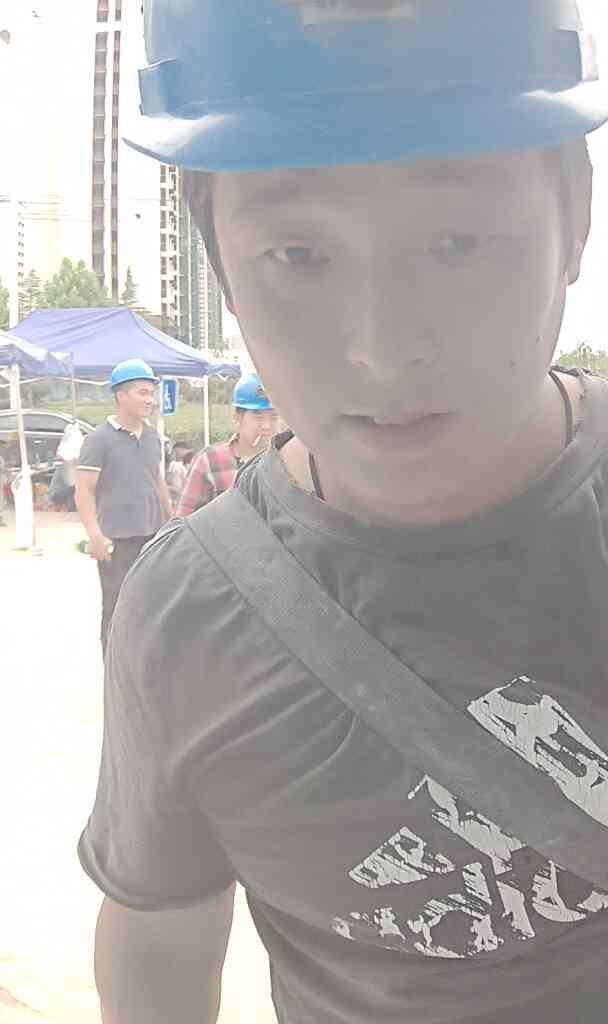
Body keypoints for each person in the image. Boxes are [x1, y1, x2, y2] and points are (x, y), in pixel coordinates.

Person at [78, 3, 608, 1023]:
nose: (383, 347)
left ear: (573, 217)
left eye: (457, 241)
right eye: (296, 255)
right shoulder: (184, 617)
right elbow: (158, 945)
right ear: (219, 264)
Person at [75, 358, 171, 655]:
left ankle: (143, 668)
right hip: (116, 541)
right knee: (116, 609)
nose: (150, 400)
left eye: (151, 393)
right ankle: (113, 671)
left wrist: (171, 524)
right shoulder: (98, 440)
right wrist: (95, 535)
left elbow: (157, 481)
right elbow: (84, 490)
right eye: (143, 392)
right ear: (121, 395)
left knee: (151, 606)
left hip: (152, 536)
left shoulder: (153, 437)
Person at [176, 372, 280, 516]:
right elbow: (184, 519)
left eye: (274, 417)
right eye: (258, 416)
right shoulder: (210, 461)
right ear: (237, 418)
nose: (267, 426)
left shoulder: (287, 463)